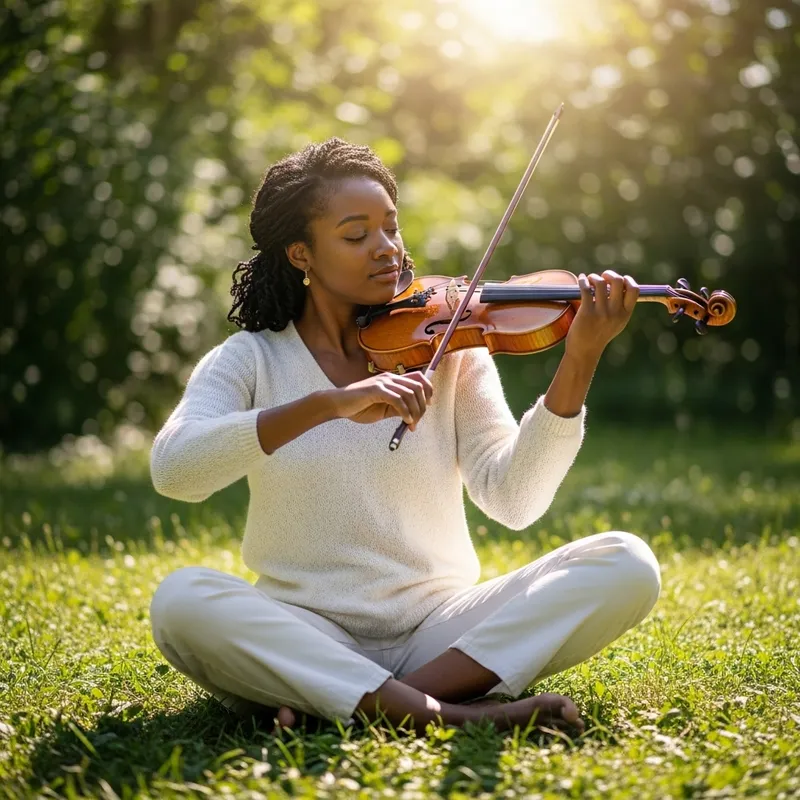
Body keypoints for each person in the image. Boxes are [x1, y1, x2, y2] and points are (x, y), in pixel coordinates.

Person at [149, 137, 661, 737]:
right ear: (300, 253)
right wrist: (329, 405)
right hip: (306, 628)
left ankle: (352, 703)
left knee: (627, 562)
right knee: (181, 601)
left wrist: (580, 359)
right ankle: (452, 714)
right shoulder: (250, 359)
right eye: (355, 234)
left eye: (391, 227)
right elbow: (175, 471)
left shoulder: (450, 350)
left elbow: (514, 500)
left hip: (442, 629)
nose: (385, 248)